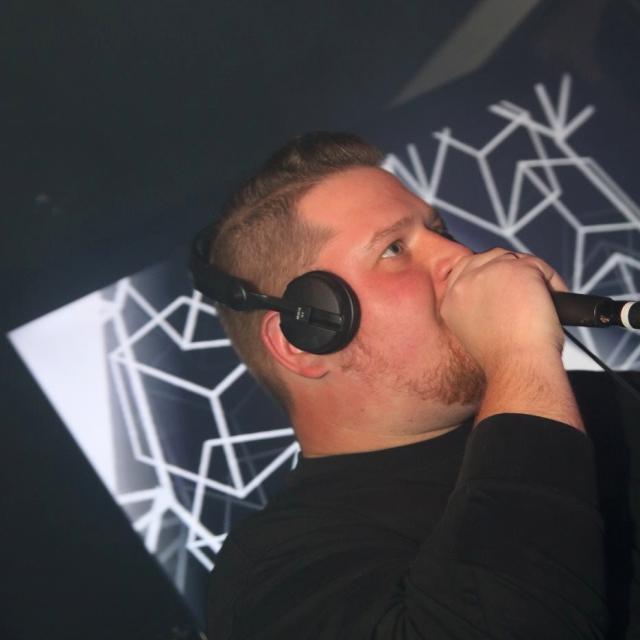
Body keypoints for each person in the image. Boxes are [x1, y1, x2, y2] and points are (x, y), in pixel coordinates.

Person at [203, 132, 611, 639]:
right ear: (304, 339)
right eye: (394, 248)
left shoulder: (592, 405)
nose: (458, 255)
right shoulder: (274, 569)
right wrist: (520, 355)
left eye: (439, 229)